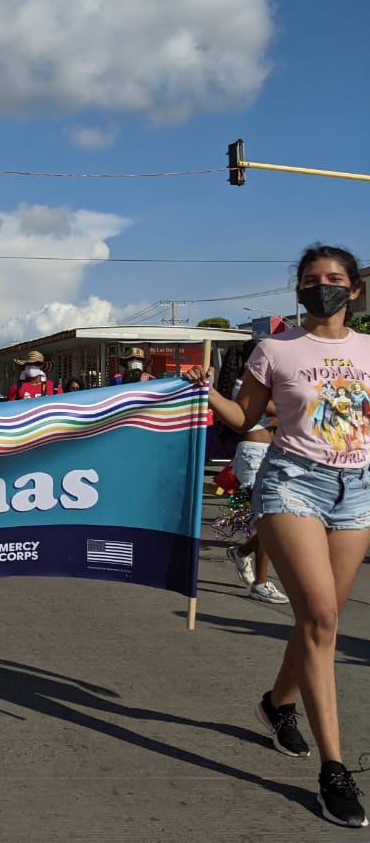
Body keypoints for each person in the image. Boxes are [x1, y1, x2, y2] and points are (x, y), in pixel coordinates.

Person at [186, 244, 370, 828]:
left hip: (358, 490)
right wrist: (203, 390)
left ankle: (276, 704)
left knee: (322, 621)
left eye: (335, 279)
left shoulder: (369, 350)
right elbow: (246, 417)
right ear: (298, 291)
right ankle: (334, 770)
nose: (324, 288)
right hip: (292, 484)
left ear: (355, 290)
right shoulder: (275, 348)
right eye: (312, 280)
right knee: (318, 618)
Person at [216, 341, 289, 605]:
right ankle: (260, 582)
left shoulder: (261, 387)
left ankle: (242, 552)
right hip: (254, 455)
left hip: (268, 454)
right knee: (268, 521)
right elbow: (283, 410)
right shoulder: (244, 386)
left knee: (272, 521)